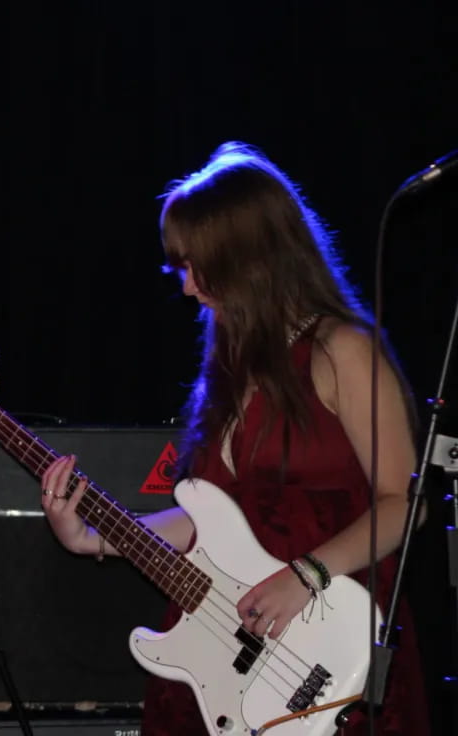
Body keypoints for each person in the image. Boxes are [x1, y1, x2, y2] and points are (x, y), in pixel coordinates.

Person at [39, 142, 429, 735]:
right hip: (222, 658)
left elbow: (404, 501)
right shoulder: (227, 362)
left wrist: (307, 575)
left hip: (327, 648)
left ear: (251, 260)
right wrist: (91, 536)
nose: (188, 286)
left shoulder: (344, 350)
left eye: (197, 267)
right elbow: (208, 521)